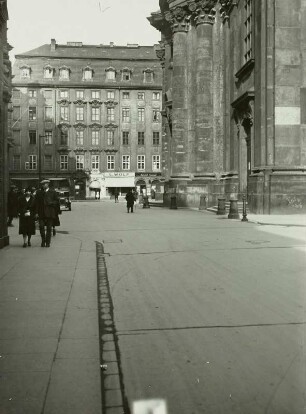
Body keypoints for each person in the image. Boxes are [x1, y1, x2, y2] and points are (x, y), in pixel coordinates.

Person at [34, 179, 59, 247]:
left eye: (44, 184)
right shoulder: (38, 192)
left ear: (48, 184)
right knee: (41, 227)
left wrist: (51, 203)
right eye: (42, 184)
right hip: (41, 213)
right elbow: (36, 203)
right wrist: (36, 212)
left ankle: (48, 243)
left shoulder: (53, 192)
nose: (43, 185)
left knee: (49, 228)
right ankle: (43, 241)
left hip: (50, 212)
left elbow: (57, 201)